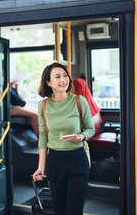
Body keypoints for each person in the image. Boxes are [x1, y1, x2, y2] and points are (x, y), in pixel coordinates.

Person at [33, 62, 95, 215]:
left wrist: (80, 136)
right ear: (48, 82)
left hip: (77, 161)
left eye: (65, 75)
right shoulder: (43, 105)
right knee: (59, 211)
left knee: (74, 211)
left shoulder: (80, 101)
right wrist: (41, 166)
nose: (63, 80)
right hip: (55, 162)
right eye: (58, 77)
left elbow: (90, 129)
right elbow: (43, 136)